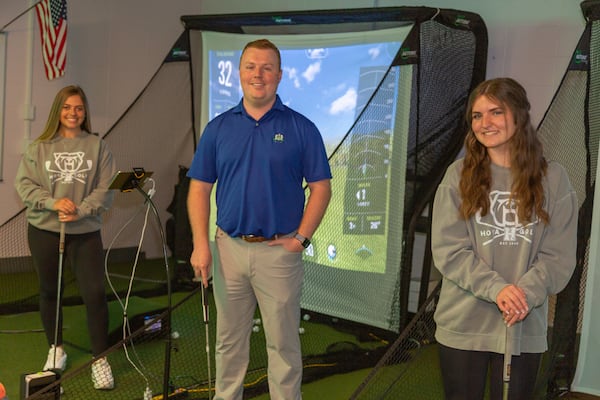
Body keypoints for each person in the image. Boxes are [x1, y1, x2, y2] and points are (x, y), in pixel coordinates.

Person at [187, 39, 332, 400]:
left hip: (278, 253)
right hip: (228, 250)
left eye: (267, 68)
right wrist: (200, 245)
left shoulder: (302, 128)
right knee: (229, 343)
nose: (259, 74)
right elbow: (199, 190)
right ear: (240, 72)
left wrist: (301, 238)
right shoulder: (218, 129)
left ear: (279, 76)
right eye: (251, 66)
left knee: (283, 347)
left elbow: (321, 188)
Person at [431, 77, 578, 400]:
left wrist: (522, 294)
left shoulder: (554, 179)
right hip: (463, 326)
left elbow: (559, 257)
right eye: (477, 116)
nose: (485, 123)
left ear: (520, 115)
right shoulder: (457, 176)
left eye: (496, 112)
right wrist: (497, 289)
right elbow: (450, 250)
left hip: (522, 327)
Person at [15, 85, 116, 390]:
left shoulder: (98, 146)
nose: (73, 113)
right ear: (57, 111)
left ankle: (100, 359)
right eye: (67, 108)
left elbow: (106, 187)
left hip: (85, 233)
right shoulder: (39, 146)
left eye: (79, 108)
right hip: (45, 230)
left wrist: (82, 210)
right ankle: (55, 349)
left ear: (85, 113)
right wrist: (53, 202)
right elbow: (25, 185)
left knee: (95, 293)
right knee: (49, 292)